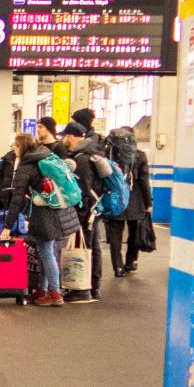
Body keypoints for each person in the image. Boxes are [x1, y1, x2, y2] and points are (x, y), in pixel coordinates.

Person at [1, 131, 80, 307]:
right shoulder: (47, 156)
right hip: (60, 211)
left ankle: (55, 293)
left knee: (46, 251)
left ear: (22, 147)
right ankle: (43, 290)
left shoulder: (26, 166)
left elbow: (17, 198)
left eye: (15, 145)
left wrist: (7, 227)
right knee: (47, 251)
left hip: (45, 215)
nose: (14, 149)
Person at [58, 123, 106, 301]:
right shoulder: (94, 152)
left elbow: (83, 188)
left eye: (64, 137)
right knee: (93, 246)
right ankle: (93, 287)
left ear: (71, 136)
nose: (63, 140)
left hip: (86, 210)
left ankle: (82, 289)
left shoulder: (81, 159)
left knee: (83, 246)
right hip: (94, 208)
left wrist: (79, 209)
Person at [102, 126, 153, 277]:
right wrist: (148, 203)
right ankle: (130, 262)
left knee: (115, 235)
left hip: (114, 199)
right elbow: (144, 181)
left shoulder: (109, 155)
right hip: (135, 200)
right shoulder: (139, 155)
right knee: (134, 234)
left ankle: (118, 267)